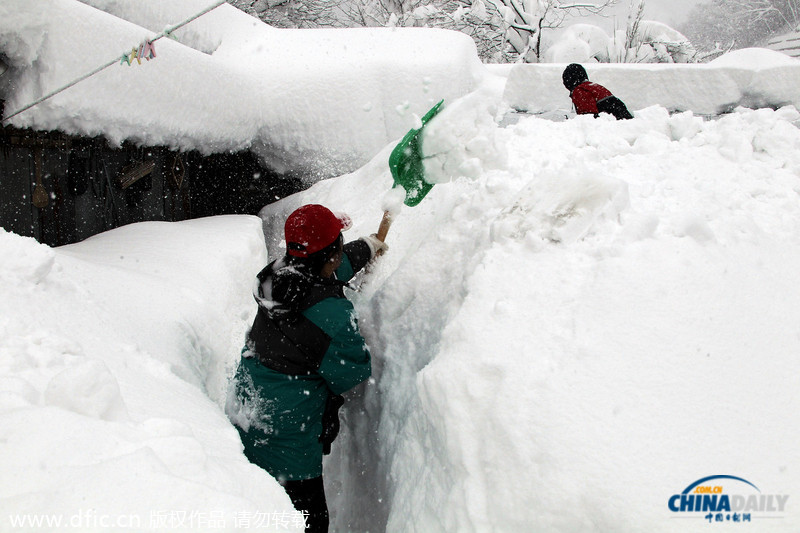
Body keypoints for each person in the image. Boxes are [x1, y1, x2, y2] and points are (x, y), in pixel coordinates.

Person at [226, 204, 387, 533]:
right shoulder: (330, 315)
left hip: (248, 410)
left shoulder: (281, 274)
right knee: (307, 523)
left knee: (254, 511)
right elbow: (352, 371)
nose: (341, 254)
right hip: (286, 441)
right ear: (329, 256)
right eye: (339, 248)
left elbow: (330, 269)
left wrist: (368, 246)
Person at [562, 63, 633, 120]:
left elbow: (588, 117)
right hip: (622, 117)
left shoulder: (580, 90)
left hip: (615, 122)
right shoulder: (592, 86)